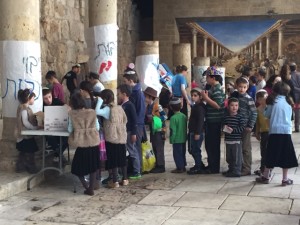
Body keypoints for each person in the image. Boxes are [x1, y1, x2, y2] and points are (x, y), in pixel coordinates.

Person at [256, 82, 298, 186]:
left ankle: (265, 176)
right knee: (286, 155)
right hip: (286, 132)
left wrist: (264, 107)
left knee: (270, 154)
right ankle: (285, 179)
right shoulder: (289, 102)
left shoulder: (272, 102)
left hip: (274, 132)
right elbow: (291, 117)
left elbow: (266, 114)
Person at [68, 93, 100, 196]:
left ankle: (86, 187)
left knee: (76, 168)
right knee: (93, 166)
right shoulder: (92, 112)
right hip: (93, 142)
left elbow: (69, 129)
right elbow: (98, 127)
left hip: (81, 144)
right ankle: (91, 187)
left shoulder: (72, 114)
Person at [95, 89, 128, 188]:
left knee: (113, 159)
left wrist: (99, 100)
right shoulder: (119, 108)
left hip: (111, 136)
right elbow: (125, 120)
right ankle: (125, 179)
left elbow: (96, 111)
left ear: (104, 98)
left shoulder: (107, 109)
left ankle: (115, 181)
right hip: (121, 136)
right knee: (122, 159)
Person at [201, 66, 225, 174]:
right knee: (209, 144)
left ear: (213, 78)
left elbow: (218, 105)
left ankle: (214, 167)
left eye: (207, 76)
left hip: (215, 121)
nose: (206, 78)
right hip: (210, 120)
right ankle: (211, 164)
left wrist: (206, 99)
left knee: (213, 145)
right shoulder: (212, 89)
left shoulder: (218, 89)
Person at [123, 65, 145, 179]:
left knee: (135, 148)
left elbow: (137, 112)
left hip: (136, 125)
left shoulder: (136, 93)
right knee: (134, 148)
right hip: (136, 124)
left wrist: (134, 128)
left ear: (131, 81)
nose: (125, 83)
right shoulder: (136, 92)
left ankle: (138, 170)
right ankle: (136, 168)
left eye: (125, 81)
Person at [234, 77, 257, 176]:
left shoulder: (249, 99)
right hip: (236, 125)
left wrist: (250, 125)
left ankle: (247, 168)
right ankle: (237, 167)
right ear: (236, 86)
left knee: (246, 148)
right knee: (237, 147)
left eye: (244, 87)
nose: (241, 89)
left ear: (247, 87)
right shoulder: (236, 98)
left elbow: (254, 113)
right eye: (240, 87)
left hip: (246, 127)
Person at [117, 84, 141, 177]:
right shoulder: (122, 105)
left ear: (124, 94)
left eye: (119, 94)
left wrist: (134, 133)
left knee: (132, 151)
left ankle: (137, 171)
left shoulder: (130, 105)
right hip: (124, 131)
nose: (118, 96)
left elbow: (134, 120)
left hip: (130, 131)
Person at [15, 88, 40, 174]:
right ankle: (31, 167)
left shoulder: (25, 107)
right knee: (30, 152)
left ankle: (20, 166)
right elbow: (25, 122)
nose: (34, 100)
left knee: (23, 152)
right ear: (29, 98)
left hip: (26, 134)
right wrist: (34, 128)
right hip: (25, 135)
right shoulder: (24, 108)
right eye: (33, 98)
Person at [144, 86, 167, 173]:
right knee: (155, 148)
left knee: (159, 148)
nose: (144, 98)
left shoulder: (157, 106)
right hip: (153, 130)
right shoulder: (148, 106)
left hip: (159, 131)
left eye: (145, 96)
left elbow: (164, 117)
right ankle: (157, 164)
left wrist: (154, 118)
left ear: (150, 97)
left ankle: (161, 166)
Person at [42, 88, 68, 164]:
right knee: (49, 137)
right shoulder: (41, 105)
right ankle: (60, 155)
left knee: (67, 140)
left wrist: (63, 110)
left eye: (50, 97)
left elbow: (67, 107)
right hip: (48, 129)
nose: (48, 100)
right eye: (45, 98)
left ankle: (57, 154)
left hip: (60, 127)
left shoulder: (56, 101)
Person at [222, 98, 246, 177]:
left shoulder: (240, 117)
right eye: (232, 105)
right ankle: (231, 169)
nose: (234, 107)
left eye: (236, 105)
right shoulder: (226, 117)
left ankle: (236, 171)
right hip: (228, 140)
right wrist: (224, 129)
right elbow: (223, 126)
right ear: (228, 106)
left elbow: (242, 128)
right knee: (229, 156)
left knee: (236, 157)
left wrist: (233, 130)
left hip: (236, 140)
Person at [186, 87, 206, 175]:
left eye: (195, 95)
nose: (193, 97)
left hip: (196, 132)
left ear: (200, 96)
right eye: (192, 96)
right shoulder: (195, 106)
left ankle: (198, 166)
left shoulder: (200, 108)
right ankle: (199, 164)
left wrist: (198, 132)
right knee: (192, 149)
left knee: (195, 149)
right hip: (192, 131)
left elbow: (201, 121)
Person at [169, 97, 187, 173]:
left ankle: (180, 167)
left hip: (176, 140)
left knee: (177, 154)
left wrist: (171, 139)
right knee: (182, 153)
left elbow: (173, 131)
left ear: (171, 107)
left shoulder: (173, 118)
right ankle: (183, 165)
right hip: (183, 138)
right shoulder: (184, 116)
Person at [254, 90, 269, 176]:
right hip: (264, 132)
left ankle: (267, 169)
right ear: (258, 100)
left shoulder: (271, 108)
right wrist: (257, 132)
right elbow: (258, 123)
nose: (265, 100)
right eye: (262, 99)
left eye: (266, 98)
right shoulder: (258, 110)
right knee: (263, 151)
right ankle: (263, 168)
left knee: (269, 151)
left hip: (271, 132)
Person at [289, 62, 300, 132]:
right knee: (297, 112)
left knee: (290, 111)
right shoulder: (298, 75)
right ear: (295, 67)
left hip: (290, 96)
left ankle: (290, 126)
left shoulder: (289, 76)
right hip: (298, 96)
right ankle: (297, 127)